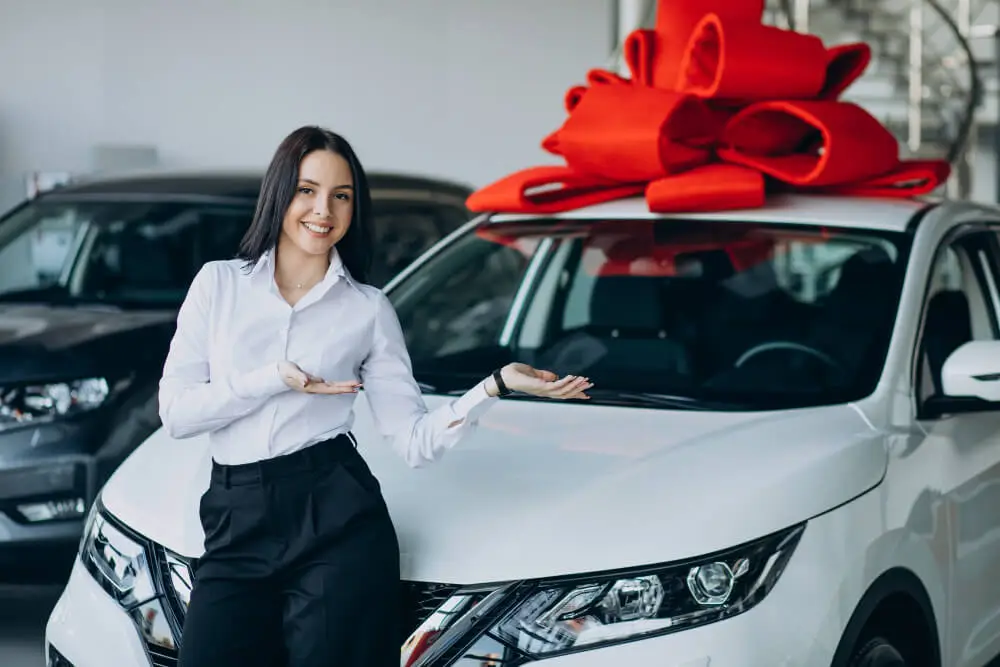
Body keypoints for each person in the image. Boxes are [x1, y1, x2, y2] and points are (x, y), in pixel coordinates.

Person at [157, 125, 593, 667]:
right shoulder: (217, 286)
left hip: (335, 518)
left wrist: (492, 387)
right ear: (280, 193)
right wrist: (272, 377)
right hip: (234, 515)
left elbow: (413, 441)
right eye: (307, 190)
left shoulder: (366, 309)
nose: (324, 210)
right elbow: (176, 415)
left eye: (341, 196)